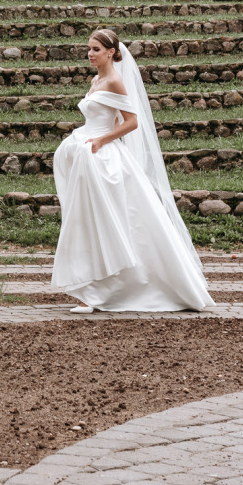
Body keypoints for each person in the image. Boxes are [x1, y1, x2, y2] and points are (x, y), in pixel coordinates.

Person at [49, 29, 213, 312]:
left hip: (103, 157)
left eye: (96, 49)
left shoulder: (114, 80)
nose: (90, 54)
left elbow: (131, 122)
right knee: (88, 221)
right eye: (88, 49)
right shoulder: (96, 79)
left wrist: (101, 139)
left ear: (111, 52)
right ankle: (91, 291)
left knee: (112, 222)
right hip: (87, 153)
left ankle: (109, 290)